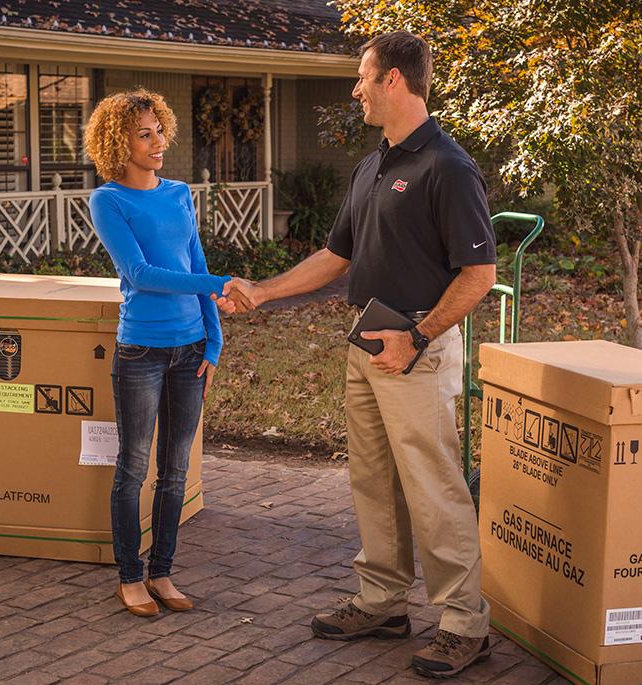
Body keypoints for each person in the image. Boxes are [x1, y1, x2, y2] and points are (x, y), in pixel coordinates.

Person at [216, 31, 496, 679]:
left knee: (434, 488)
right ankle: (383, 601)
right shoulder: (372, 166)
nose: (356, 89)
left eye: (363, 76)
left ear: (394, 79)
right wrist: (263, 291)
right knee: (373, 480)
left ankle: (464, 623)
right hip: (366, 343)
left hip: (416, 348)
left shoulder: (447, 167)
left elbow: (478, 274)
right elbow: (335, 256)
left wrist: (416, 337)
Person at [85, 89, 230, 617]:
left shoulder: (178, 193)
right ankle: (130, 577)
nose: (157, 142)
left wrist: (213, 340)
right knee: (133, 467)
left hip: (190, 351)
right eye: (144, 134)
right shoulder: (108, 201)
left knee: (175, 470)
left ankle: (162, 572)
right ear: (117, 144)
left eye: (159, 130)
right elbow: (141, 274)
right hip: (141, 352)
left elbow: (196, 263)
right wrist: (218, 283)